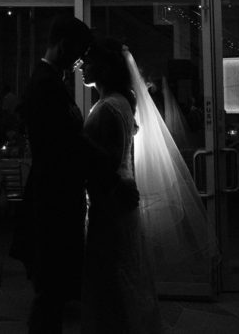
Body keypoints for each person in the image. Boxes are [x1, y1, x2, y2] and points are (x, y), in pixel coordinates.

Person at [9, 15, 95, 334]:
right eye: (77, 51)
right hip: (54, 199)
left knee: (52, 291)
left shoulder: (49, 80)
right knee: (51, 292)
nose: (79, 60)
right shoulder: (45, 85)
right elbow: (65, 145)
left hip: (55, 194)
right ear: (63, 45)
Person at [78, 38, 163, 334]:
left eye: (87, 62)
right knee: (122, 273)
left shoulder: (108, 108)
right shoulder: (120, 103)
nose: (81, 68)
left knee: (111, 277)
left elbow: (107, 164)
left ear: (102, 67)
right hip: (119, 199)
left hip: (110, 203)